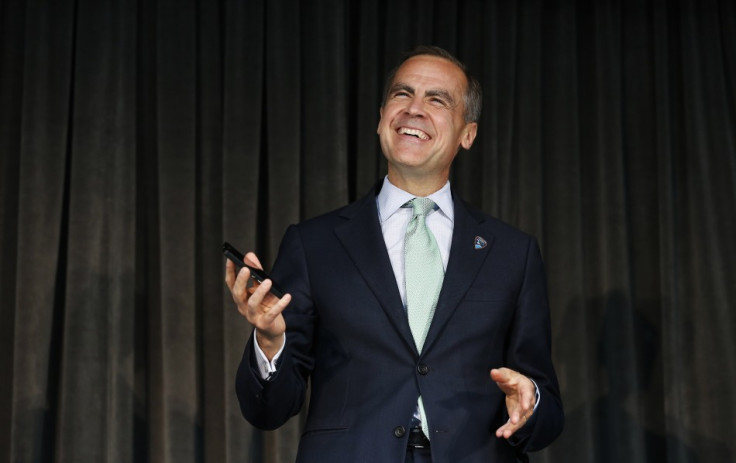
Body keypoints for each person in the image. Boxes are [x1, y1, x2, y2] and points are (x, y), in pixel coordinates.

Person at [226, 45, 564, 463]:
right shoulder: (314, 244)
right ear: (381, 118)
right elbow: (267, 410)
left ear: (468, 133)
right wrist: (269, 341)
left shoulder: (513, 253)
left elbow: (546, 412)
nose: (414, 110)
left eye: (437, 99)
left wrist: (531, 401)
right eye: (402, 95)